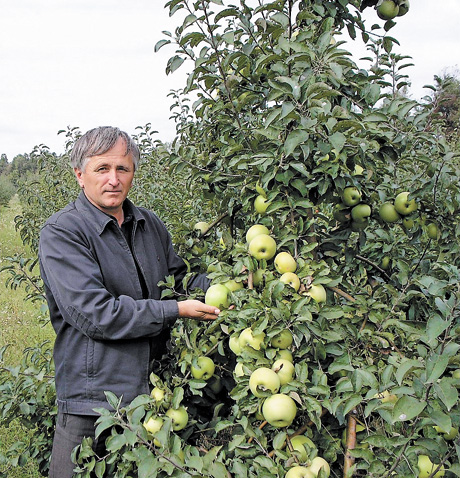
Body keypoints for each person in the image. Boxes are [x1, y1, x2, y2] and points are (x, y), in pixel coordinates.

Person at [38, 126, 220, 478]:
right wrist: (174, 311)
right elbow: (95, 314)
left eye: (123, 169)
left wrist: (232, 286)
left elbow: (176, 284)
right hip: (92, 401)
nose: (113, 179)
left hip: (153, 393)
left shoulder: (148, 223)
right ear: (80, 174)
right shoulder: (63, 232)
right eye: (102, 169)